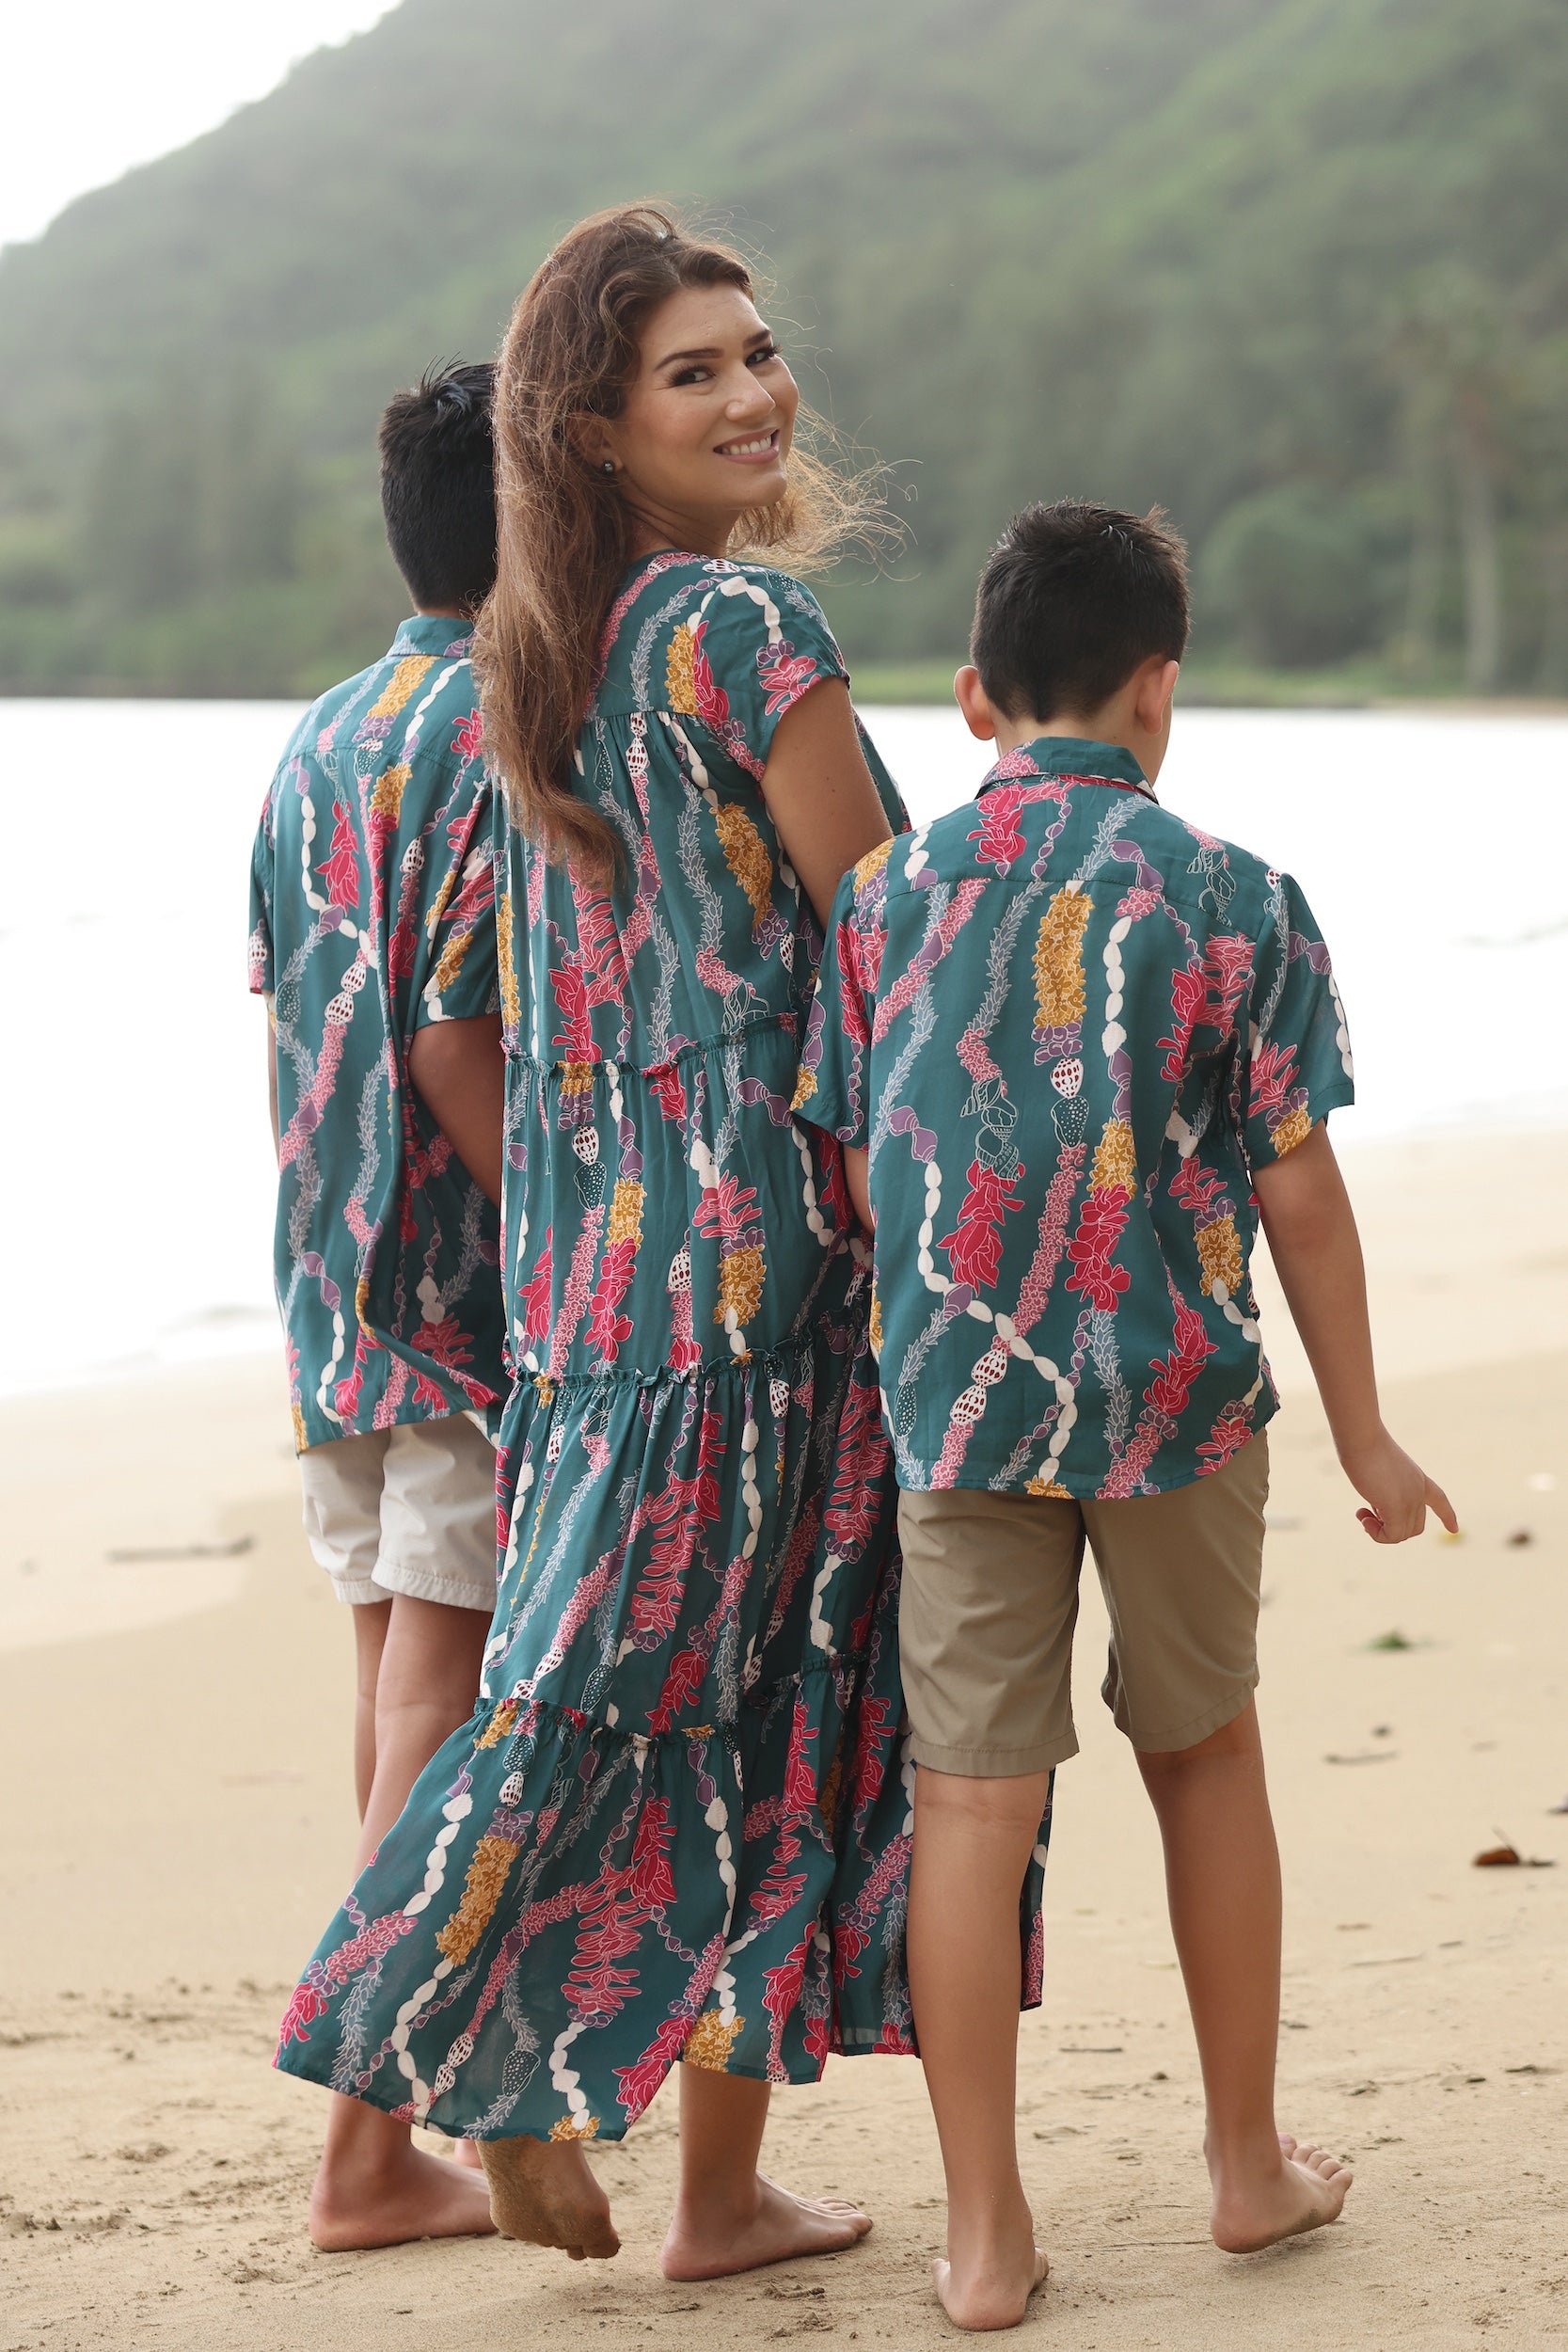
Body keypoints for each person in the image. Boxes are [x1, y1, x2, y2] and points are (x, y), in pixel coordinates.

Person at [276, 206, 1052, 2277]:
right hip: (773, 1261)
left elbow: (497, 1001)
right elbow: (889, 947)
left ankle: (679, 2163)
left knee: (630, 1694)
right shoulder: (742, 634)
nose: (751, 391)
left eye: (756, 351)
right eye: (690, 370)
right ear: (594, 426)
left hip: (592, 1268)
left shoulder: (537, 652)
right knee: (738, 1706)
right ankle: (568, 2112)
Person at [797, 499, 1457, 2330]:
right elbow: (1301, 1190)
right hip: (1174, 1404)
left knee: (970, 1803)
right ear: (1161, 688)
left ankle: (985, 2237)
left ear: (973, 699)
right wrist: (1367, 1428)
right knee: (1206, 1755)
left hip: (959, 1411)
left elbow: (847, 1165)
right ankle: (1246, 2165)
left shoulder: (883, 899)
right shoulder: (1232, 895)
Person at [249, 361, 510, 2249]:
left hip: (324, 1277)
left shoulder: (319, 733)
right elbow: (459, 1037)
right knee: (442, 1686)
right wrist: (560, 1253)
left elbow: (285, 1003)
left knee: (389, 1679)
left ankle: (397, 2118)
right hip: (455, 1289)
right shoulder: (510, 726)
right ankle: (363, 2135)